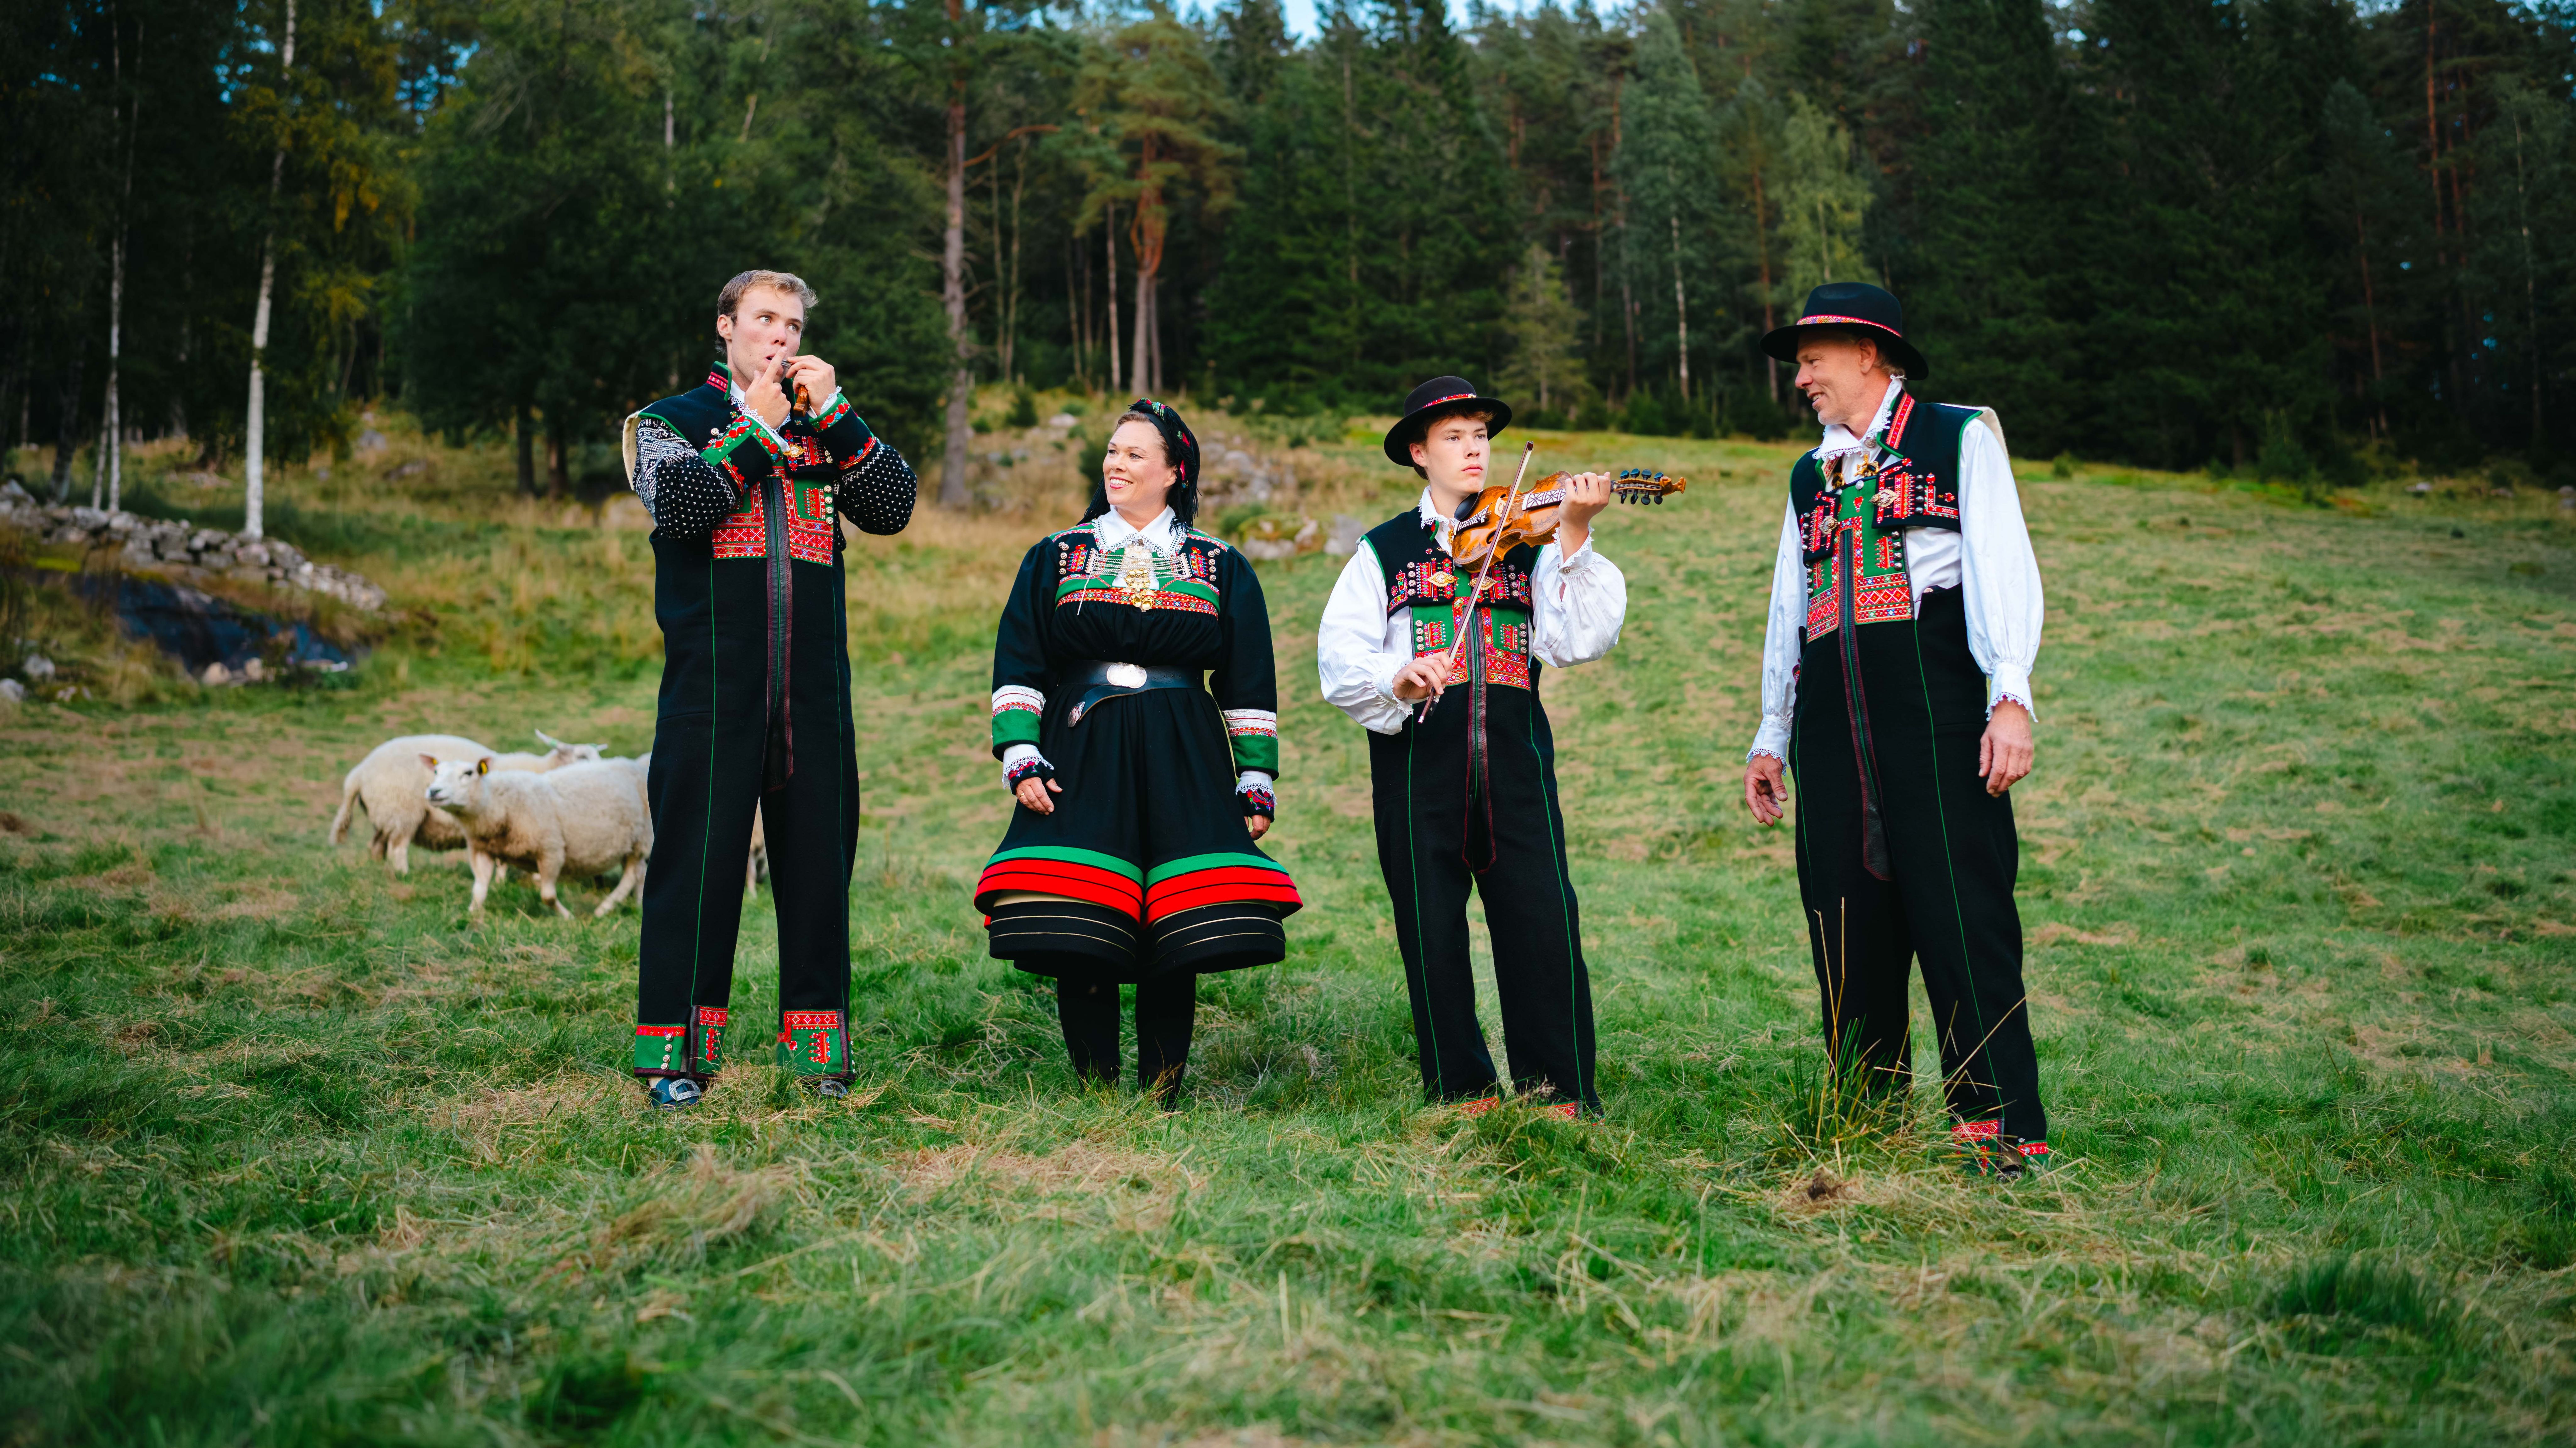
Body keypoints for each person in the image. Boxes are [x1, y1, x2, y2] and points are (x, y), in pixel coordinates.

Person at [1741, 281, 2050, 1175]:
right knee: (1847, 918)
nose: (1801, 377)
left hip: (1938, 702)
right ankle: (1864, 1126)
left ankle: (1999, 1133)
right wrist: (1772, 731)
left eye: (1812, 358)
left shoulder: (1958, 438)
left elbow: (2001, 561)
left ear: (1871, 352)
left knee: (1963, 915)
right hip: (1833, 721)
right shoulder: (1812, 474)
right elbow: (1790, 607)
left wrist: (2011, 695)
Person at [618, 268, 919, 1110]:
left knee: (821, 861)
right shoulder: (666, 424)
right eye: (762, 320)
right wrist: (758, 424)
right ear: (725, 326)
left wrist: (838, 415)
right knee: (699, 860)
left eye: (790, 323)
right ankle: (675, 1052)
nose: (779, 336)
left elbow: (894, 505)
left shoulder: (826, 428)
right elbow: (681, 508)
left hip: (814, 684)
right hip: (713, 681)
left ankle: (816, 1050)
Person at [972, 399, 1300, 1106]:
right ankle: (1094, 1088)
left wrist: (1255, 779)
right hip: (1082, 744)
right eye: (1112, 452)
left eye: (1134, 454)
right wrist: (1020, 752)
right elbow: (1020, 660)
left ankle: (1161, 1091)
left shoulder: (1222, 564)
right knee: (1080, 916)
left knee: (1173, 925)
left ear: (1174, 472)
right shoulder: (1057, 555)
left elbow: (1248, 679)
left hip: (1185, 752)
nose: (1115, 464)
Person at [1316, 377, 1627, 1117]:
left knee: (1543, 922)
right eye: (1455, 437)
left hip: (1517, 764)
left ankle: (1559, 1091)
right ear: (1419, 453)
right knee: (1432, 934)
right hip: (1418, 767)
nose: (1475, 449)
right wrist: (1399, 675)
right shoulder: (1384, 549)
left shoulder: (1532, 541)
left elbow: (1579, 638)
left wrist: (1576, 531)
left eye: (1482, 436)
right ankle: (1462, 1089)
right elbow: (1338, 658)